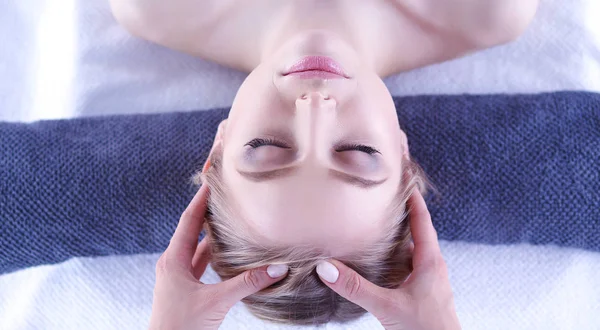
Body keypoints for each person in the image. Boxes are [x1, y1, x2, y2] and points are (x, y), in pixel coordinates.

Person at [110, 0, 537, 327]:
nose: (314, 106)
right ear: (402, 154)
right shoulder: (486, 10)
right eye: (357, 153)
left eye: (267, 148)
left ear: (218, 149)